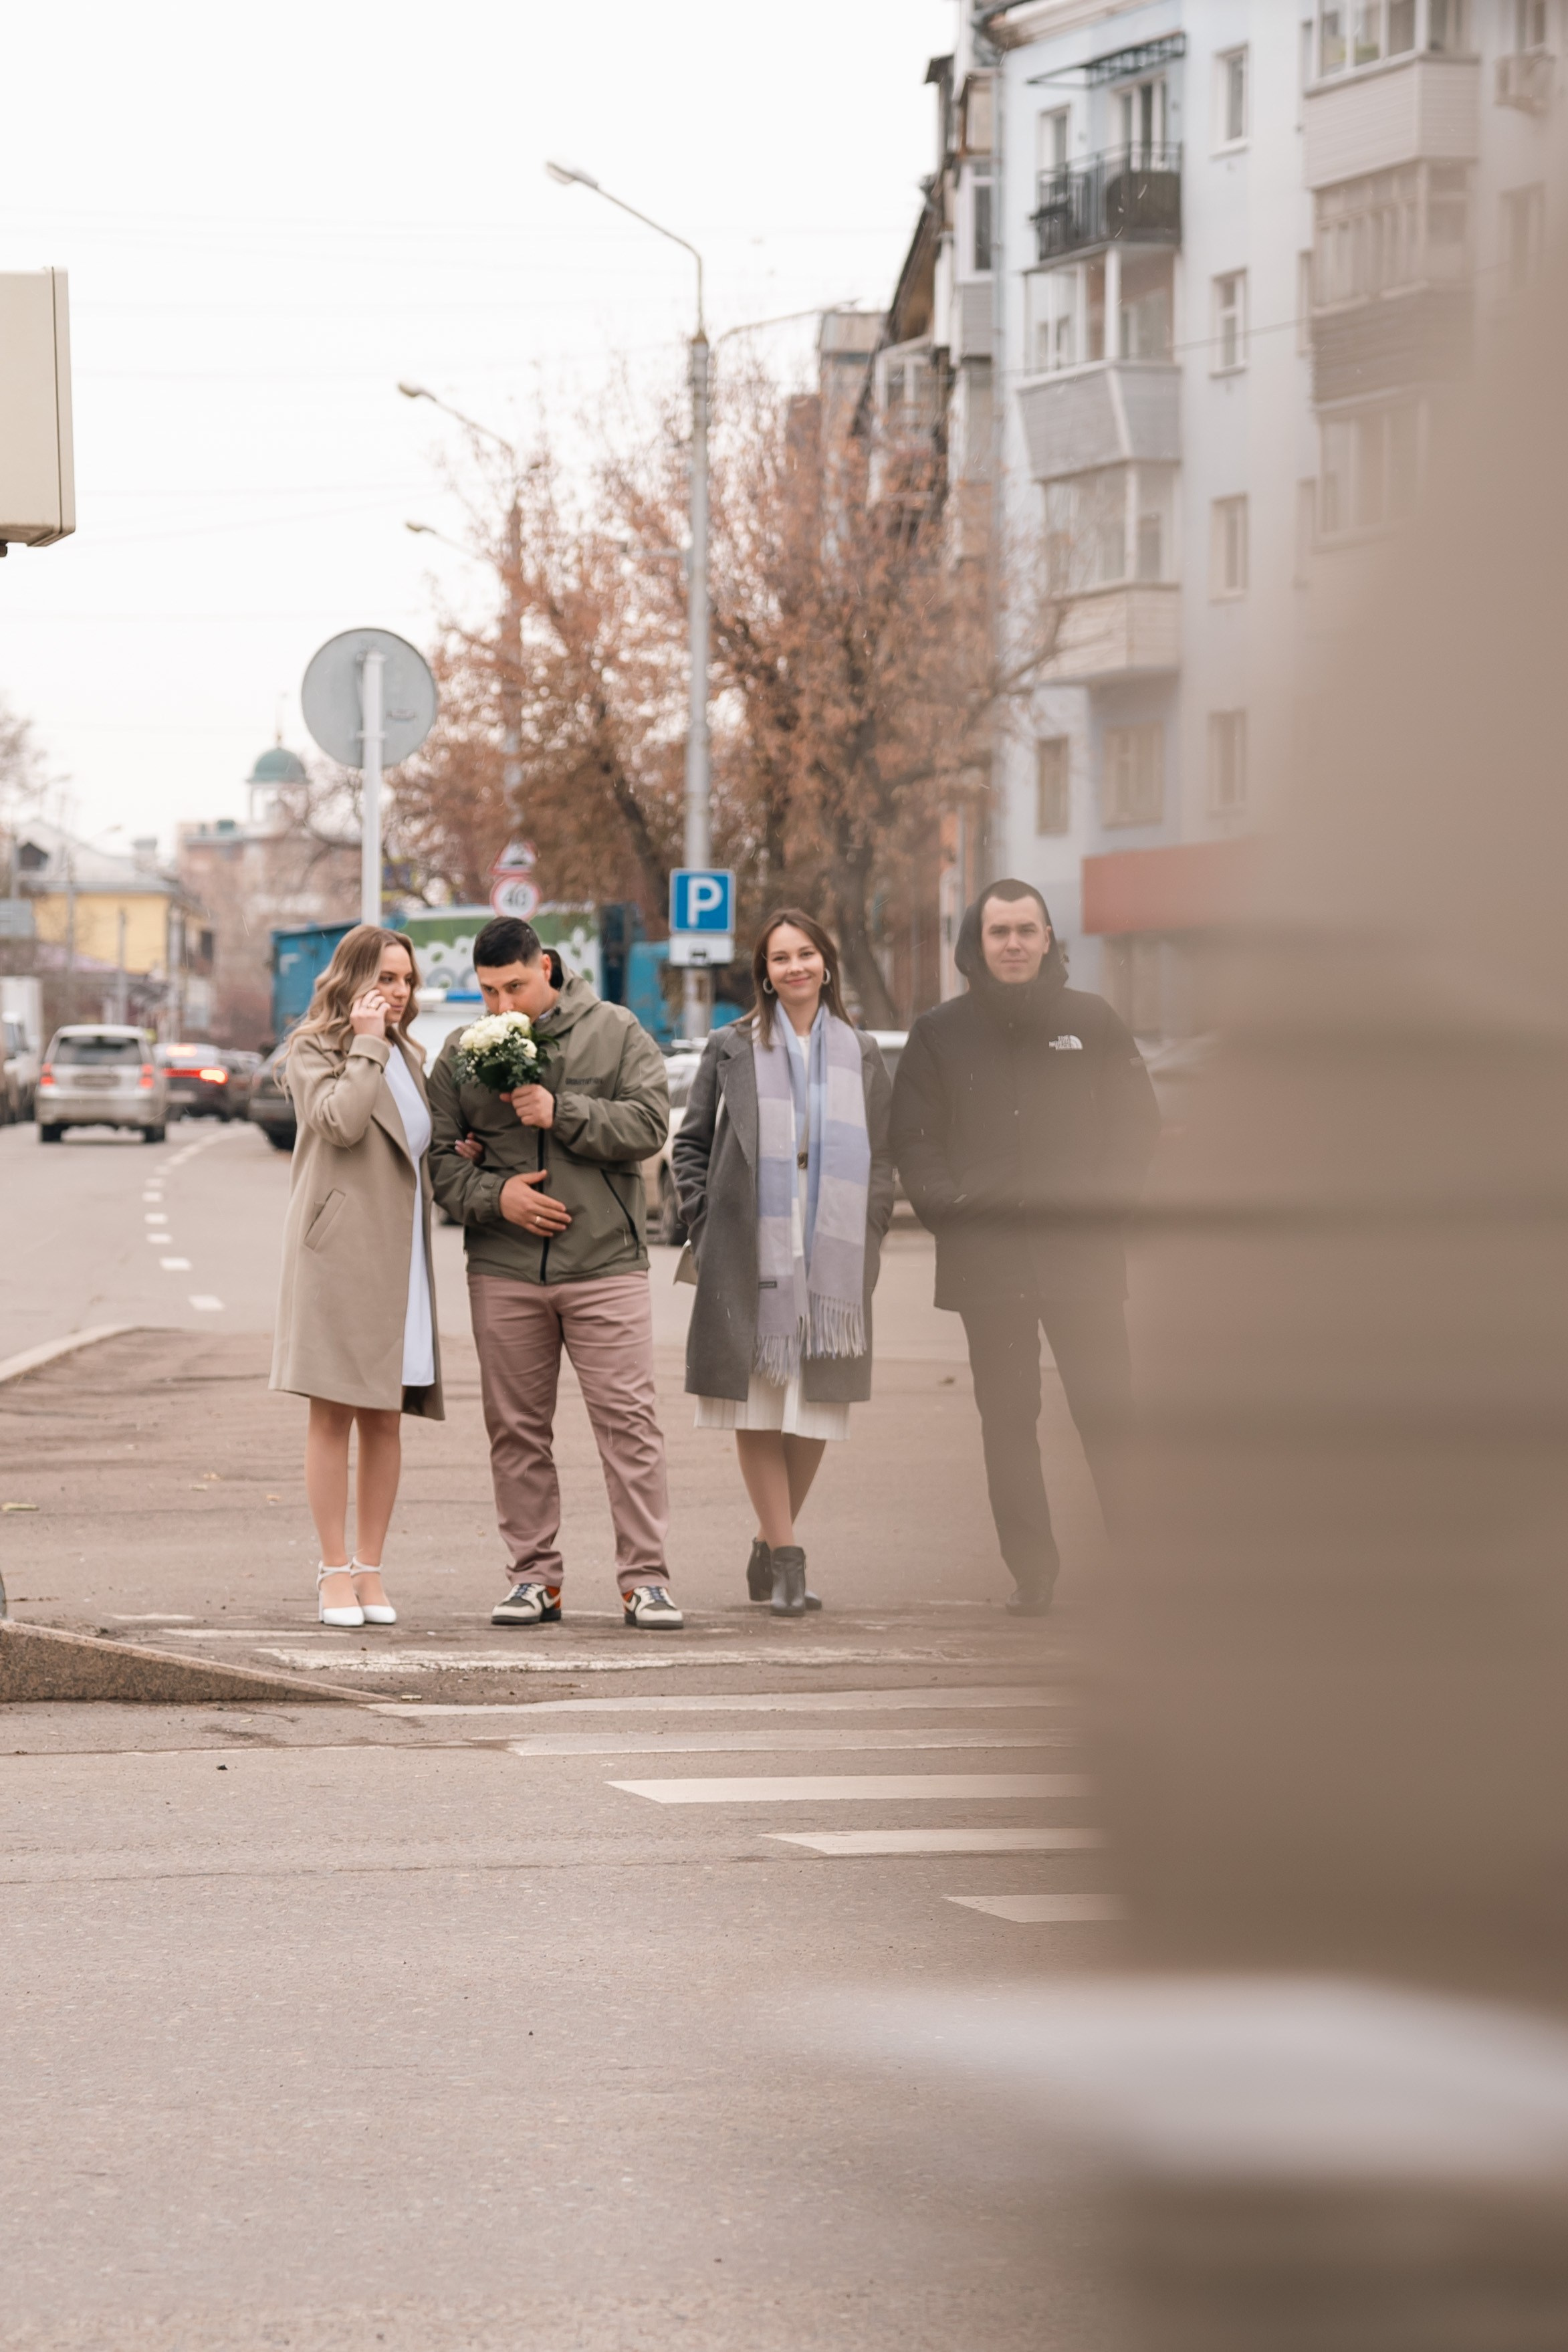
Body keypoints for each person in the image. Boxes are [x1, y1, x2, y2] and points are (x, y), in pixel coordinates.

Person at [890, 881, 1159, 1615]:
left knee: (1108, 1414)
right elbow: (914, 1138)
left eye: (1024, 930)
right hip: (989, 1264)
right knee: (1008, 1422)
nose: (1012, 943)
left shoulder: (1092, 1021)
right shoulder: (938, 1033)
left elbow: (1135, 1125)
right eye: (998, 931)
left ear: (1046, 940)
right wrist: (951, 1211)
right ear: (975, 945)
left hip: (1082, 1261)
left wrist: (1103, 1209)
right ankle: (1032, 1571)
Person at [427, 916, 681, 1628]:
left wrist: (559, 1110)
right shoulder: (461, 1051)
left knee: (628, 1426)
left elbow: (649, 1125)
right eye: (488, 991)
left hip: (605, 1262)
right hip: (504, 1267)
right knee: (515, 1430)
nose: (501, 1004)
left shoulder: (616, 1030)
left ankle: (646, 1579)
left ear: (545, 967)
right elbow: (439, 1161)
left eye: (513, 986)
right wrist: (496, 1196)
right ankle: (533, 1577)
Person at [673, 910, 895, 1615]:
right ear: (764, 973)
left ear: (825, 963)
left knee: (818, 1407)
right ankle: (789, 1558)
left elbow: (883, 1155)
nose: (793, 966)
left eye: (805, 954)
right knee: (760, 1404)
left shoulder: (860, 1051)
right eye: (779, 957)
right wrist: (706, 1222)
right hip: (750, 1253)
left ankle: (768, 1544)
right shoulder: (730, 1046)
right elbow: (690, 1145)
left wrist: (870, 1227)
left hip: (832, 1258)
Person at [270, 922, 443, 1629]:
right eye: (385, 979)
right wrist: (367, 1043)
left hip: (400, 1257)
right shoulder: (313, 1049)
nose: (398, 993)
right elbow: (339, 1122)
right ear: (353, 979)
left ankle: (370, 1567)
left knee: (384, 1417)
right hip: (338, 1256)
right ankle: (332, 1568)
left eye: (406, 980)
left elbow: (414, 1148)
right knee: (332, 1412)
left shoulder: (410, 1054)